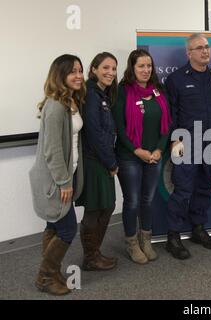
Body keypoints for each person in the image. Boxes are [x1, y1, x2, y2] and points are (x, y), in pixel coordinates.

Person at [29, 54, 85, 295]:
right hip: (56, 180)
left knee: (53, 224)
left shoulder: (70, 101)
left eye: (80, 70)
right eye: (72, 71)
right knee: (67, 228)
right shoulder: (55, 105)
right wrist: (64, 182)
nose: (79, 76)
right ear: (59, 75)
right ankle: (45, 275)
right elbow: (52, 150)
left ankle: (52, 271)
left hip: (65, 176)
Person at [164, 33, 211, 260]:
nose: (205, 51)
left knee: (204, 186)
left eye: (207, 47)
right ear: (189, 53)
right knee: (183, 190)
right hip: (186, 143)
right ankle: (173, 236)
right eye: (199, 48)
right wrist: (174, 140)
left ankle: (198, 228)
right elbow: (170, 113)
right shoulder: (176, 79)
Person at [113, 49, 171, 264]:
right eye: (141, 66)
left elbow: (167, 124)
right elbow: (119, 127)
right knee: (133, 201)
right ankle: (132, 243)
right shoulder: (123, 92)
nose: (146, 70)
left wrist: (158, 150)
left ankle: (146, 238)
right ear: (132, 68)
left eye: (149, 66)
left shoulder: (159, 89)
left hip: (154, 155)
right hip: (130, 156)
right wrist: (137, 150)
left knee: (148, 200)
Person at [75, 52, 119, 271]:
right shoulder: (92, 94)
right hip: (95, 161)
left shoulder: (101, 93)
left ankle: (94, 254)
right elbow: (94, 132)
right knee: (95, 209)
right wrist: (111, 163)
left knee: (106, 206)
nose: (110, 72)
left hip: (101, 160)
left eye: (113, 68)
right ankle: (90, 257)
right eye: (105, 68)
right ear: (93, 70)